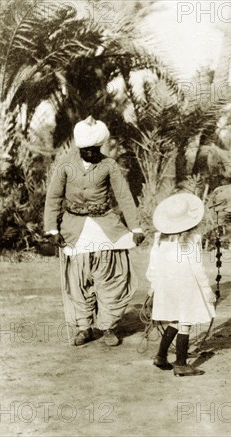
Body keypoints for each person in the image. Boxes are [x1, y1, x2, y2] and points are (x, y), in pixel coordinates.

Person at [44, 116, 145, 347]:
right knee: (78, 279)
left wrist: (136, 227)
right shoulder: (65, 166)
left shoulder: (109, 165)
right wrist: (52, 229)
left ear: (100, 146)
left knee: (111, 277)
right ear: (79, 147)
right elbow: (53, 198)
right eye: (85, 149)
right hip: (73, 228)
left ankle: (108, 326)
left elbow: (124, 196)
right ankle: (84, 327)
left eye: (94, 149)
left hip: (105, 226)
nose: (90, 153)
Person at [146, 192, 216, 376]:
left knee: (175, 320)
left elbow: (153, 264)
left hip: (166, 286)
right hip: (185, 286)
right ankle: (181, 364)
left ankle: (161, 357)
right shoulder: (192, 240)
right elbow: (197, 268)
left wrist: (153, 285)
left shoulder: (159, 239)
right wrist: (207, 290)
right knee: (185, 322)